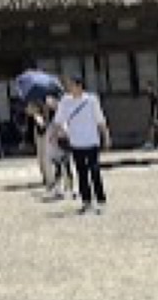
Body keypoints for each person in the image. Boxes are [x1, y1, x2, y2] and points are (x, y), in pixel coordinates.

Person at [53, 75, 110, 214]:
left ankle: (100, 200)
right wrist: (60, 132)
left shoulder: (91, 100)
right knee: (81, 172)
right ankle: (86, 201)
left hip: (92, 140)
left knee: (95, 171)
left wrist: (106, 136)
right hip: (76, 142)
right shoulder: (65, 101)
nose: (70, 88)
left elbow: (100, 120)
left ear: (79, 86)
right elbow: (59, 120)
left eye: (72, 85)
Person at [26, 102, 50, 186]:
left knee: (45, 156)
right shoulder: (34, 101)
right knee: (40, 156)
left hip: (47, 132)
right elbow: (28, 112)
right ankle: (45, 176)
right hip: (38, 132)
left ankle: (49, 177)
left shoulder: (47, 104)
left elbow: (44, 124)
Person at [144, 82, 158, 149]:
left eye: (148, 87)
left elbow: (156, 106)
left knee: (154, 128)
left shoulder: (153, 95)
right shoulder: (154, 94)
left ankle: (153, 143)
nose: (147, 89)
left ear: (152, 87)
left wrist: (154, 116)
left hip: (157, 113)